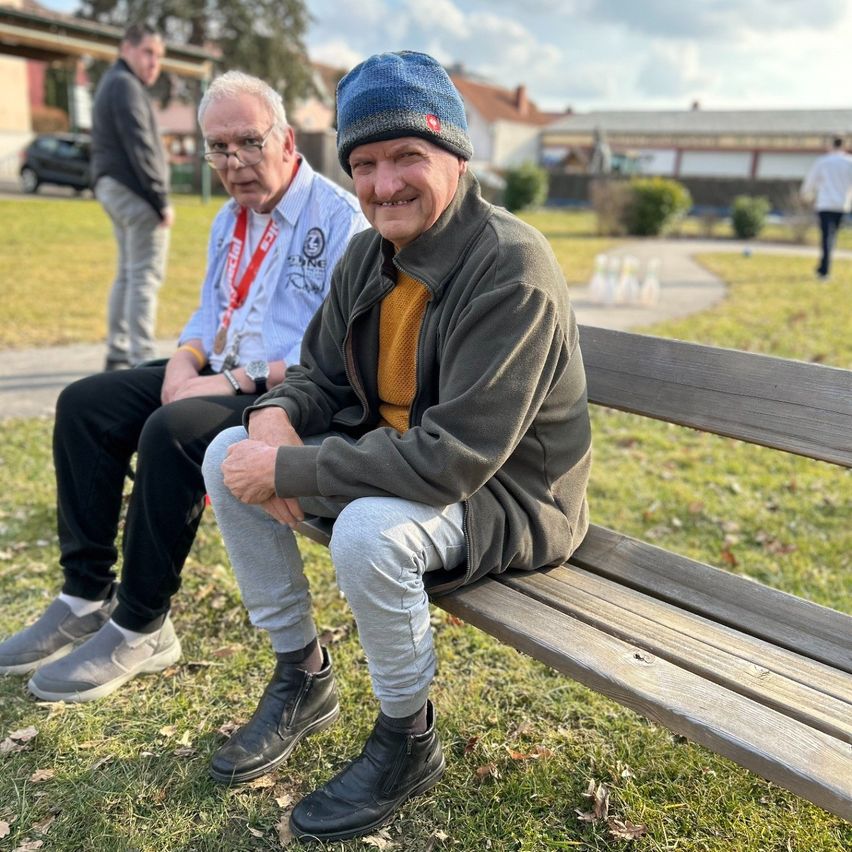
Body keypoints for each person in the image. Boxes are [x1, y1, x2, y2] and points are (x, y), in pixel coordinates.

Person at [202, 51, 592, 842]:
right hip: (403, 458)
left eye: (407, 156)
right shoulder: (369, 252)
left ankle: (408, 738)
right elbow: (316, 375)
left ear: (454, 154)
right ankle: (303, 673)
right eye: (366, 163)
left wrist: (291, 465)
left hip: (507, 498)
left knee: (367, 531)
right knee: (223, 456)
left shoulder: (510, 268)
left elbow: (453, 458)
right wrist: (271, 420)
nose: (384, 185)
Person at [0, 71, 368, 703]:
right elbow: (209, 310)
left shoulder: (339, 221)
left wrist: (224, 381)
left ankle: (142, 625)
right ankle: (85, 594)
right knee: (86, 404)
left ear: (285, 139)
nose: (233, 162)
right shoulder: (230, 217)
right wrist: (181, 362)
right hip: (218, 366)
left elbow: (330, 353)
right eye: (217, 148)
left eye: (248, 142)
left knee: (170, 431)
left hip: (286, 389)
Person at [91, 23, 174, 370]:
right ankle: (140, 357)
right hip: (135, 192)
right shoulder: (125, 86)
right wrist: (161, 199)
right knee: (144, 275)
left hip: (113, 188)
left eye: (159, 56)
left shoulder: (114, 83)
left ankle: (119, 349)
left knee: (128, 272)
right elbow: (140, 145)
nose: (154, 62)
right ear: (127, 48)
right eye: (148, 52)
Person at [801, 137, 852, 281]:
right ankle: (824, 267)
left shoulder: (823, 162)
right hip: (841, 205)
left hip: (825, 204)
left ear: (831, 144)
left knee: (827, 237)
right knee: (832, 236)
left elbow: (810, 181)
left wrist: (805, 195)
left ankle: (824, 270)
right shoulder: (849, 162)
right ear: (844, 145)